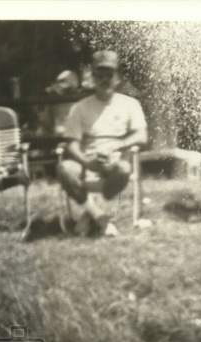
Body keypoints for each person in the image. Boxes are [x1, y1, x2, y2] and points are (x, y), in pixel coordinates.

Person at [57, 50, 147, 237]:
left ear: (117, 78)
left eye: (109, 75)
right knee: (64, 168)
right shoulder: (80, 107)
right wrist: (86, 162)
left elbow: (141, 136)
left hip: (115, 160)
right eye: (100, 75)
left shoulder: (130, 104)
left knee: (124, 169)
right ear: (93, 77)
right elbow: (71, 143)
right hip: (87, 161)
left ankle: (90, 213)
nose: (104, 80)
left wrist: (118, 146)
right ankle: (99, 216)